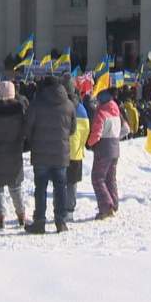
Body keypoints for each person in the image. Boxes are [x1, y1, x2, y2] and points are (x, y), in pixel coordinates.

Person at [24, 76, 76, 233]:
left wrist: (33, 140)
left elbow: (27, 127)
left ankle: (39, 221)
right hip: (61, 153)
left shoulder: (36, 104)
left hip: (40, 153)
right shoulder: (69, 105)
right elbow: (72, 129)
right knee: (60, 188)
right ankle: (61, 221)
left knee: (40, 188)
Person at [0, 81, 29, 230]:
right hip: (13, 154)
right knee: (16, 188)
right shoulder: (19, 111)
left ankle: (0, 218)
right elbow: (23, 133)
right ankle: (21, 216)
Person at [87, 88, 129, 218]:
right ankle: (114, 204)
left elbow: (97, 133)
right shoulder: (117, 111)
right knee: (110, 178)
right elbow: (126, 129)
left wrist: (89, 143)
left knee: (97, 178)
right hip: (115, 149)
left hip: (103, 149)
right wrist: (115, 137)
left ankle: (106, 206)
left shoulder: (101, 112)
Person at [66, 86, 90, 216]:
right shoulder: (81, 109)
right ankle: (70, 210)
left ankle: (59, 208)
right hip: (76, 151)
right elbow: (86, 130)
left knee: (60, 182)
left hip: (61, 149)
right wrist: (81, 144)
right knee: (72, 182)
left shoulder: (62, 105)